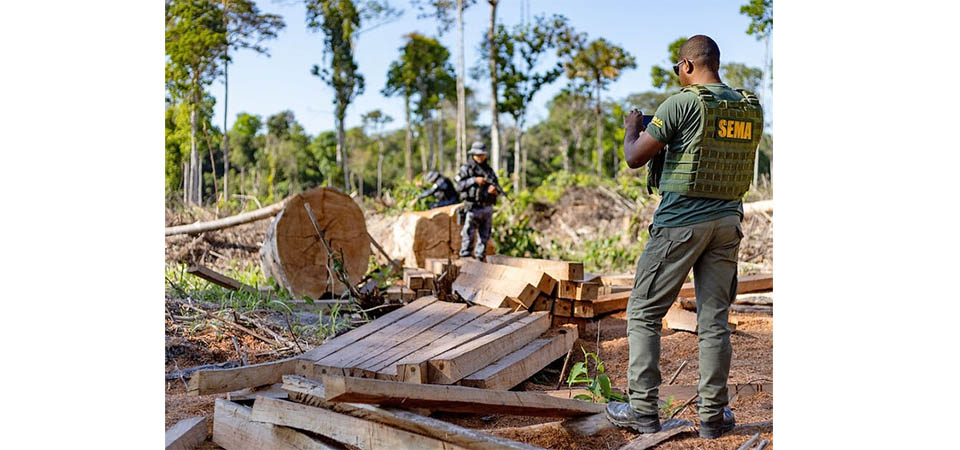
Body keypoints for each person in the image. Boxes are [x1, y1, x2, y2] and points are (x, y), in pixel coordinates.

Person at [604, 35, 764, 439]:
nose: (679, 75)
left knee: (643, 312)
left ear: (687, 66)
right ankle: (713, 417)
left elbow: (635, 157)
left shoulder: (682, 102)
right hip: (727, 223)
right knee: (714, 322)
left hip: (680, 225)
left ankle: (641, 411)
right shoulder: (747, 106)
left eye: (678, 69)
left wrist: (630, 129)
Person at [454, 141, 501, 260]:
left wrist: (494, 190)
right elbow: (458, 186)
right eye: (478, 155)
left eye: (482, 155)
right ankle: (466, 257)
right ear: (473, 155)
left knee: (485, 235)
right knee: (468, 233)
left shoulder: (489, 170)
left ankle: (480, 258)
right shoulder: (466, 169)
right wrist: (474, 180)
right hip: (472, 207)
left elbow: (497, 186)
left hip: (487, 207)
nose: (480, 157)